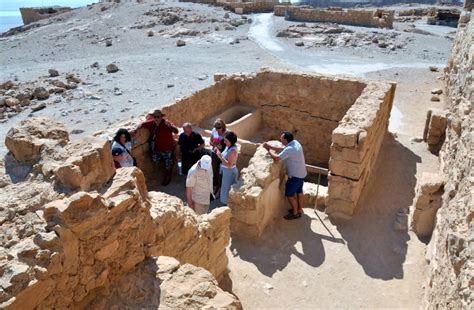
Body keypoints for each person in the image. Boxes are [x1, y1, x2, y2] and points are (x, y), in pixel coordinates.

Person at [263, 131, 307, 220]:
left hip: (294, 176)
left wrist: (268, 149)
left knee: (290, 195)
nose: (280, 140)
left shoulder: (290, 149)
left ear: (286, 140)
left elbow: (276, 158)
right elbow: (283, 149)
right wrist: (271, 146)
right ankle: (299, 210)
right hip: (301, 173)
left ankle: (295, 213)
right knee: (299, 192)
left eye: (282, 139)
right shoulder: (295, 143)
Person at [137, 109, 179, 186]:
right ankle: (159, 173)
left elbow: (176, 131)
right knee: (155, 160)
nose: (156, 118)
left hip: (168, 149)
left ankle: (168, 177)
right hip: (157, 149)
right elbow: (141, 125)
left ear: (161, 117)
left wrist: (171, 126)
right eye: (155, 117)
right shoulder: (151, 123)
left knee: (168, 164)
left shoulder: (167, 123)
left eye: (158, 117)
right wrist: (135, 130)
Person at [215, 131, 238, 205]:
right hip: (225, 172)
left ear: (231, 141)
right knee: (224, 189)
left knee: (226, 190)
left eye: (226, 140)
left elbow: (229, 165)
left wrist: (220, 157)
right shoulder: (228, 146)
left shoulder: (233, 150)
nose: (224, 142)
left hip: (229, 173)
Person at [209, 119, 227, 195]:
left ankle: (220, 188)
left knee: (222, 172)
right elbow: (210, 141)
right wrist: (216, 145)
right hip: (215, 153)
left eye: (219, 128)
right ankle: (215, 186)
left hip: (224, 154)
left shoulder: (227, 133)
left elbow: (230, 145)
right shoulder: (214, 131)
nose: (217, 130)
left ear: (223, 127)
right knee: (214, 170)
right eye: (216, 128)